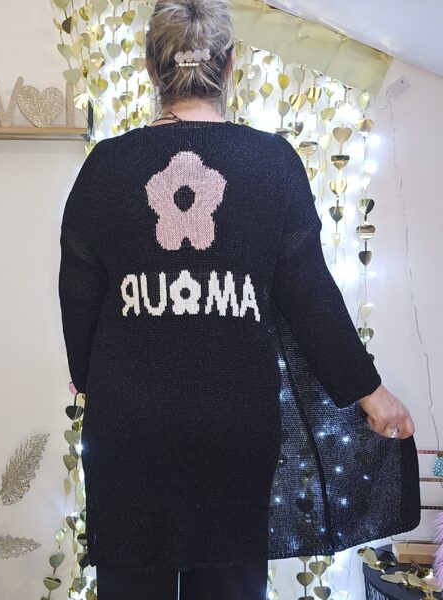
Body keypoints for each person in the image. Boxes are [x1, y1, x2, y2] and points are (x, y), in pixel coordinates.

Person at [58, 0, 418, 597]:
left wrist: (87, 377)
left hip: (129, 424)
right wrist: (369, 392)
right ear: (231, 66)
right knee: (229, 586)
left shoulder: (105, 166)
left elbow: (78, 298)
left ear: (150, 69)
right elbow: (310, 296)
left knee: (132, 585)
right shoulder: (272, 163)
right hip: (236, 424)